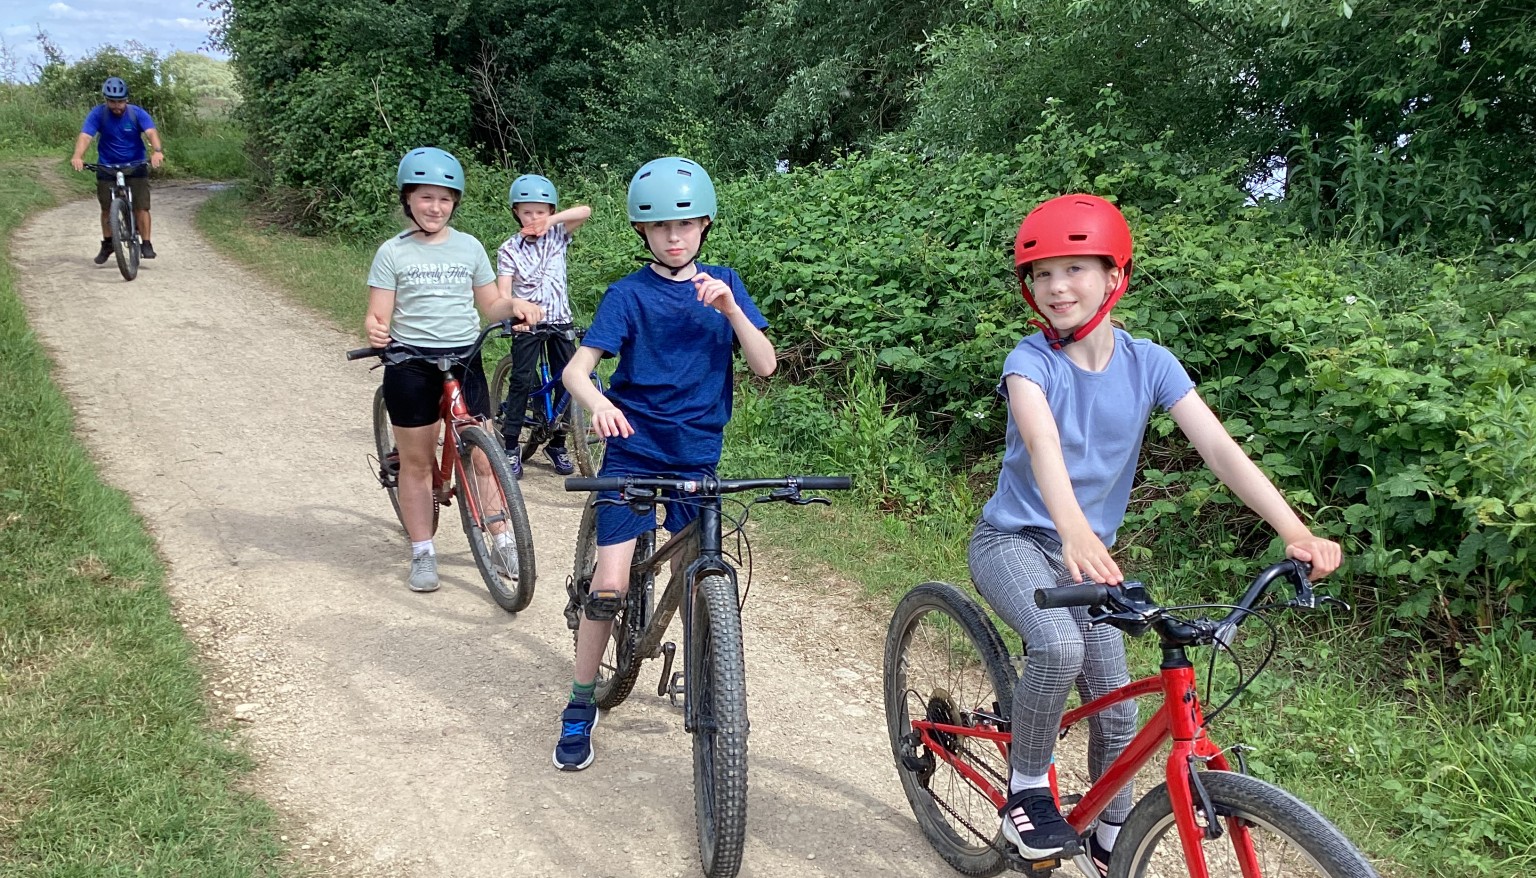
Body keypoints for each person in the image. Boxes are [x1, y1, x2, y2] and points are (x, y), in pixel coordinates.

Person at [967, 194, 1342, 873]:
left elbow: (1219, 449)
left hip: (1087, 558)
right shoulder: (1029, 363)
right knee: (1057, 647)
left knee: (1116, 708)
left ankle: (1113, 833)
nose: (1056, 287)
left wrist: (1294, 529)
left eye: (1075, 269)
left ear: (1115, 277)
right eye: (1042, 274)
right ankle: (1026, 791)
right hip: (1014, 543)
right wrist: (1075, 531)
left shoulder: (1150, 363)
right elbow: (1043, 445)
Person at [554, 157, 776, 771]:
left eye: (685, 224)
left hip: (697, 453)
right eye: (659, 227)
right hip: (634, 450)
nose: (673, 237)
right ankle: (580, 701)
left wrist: (731, 310)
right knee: (610, 586)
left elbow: (765, 365)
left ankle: (708, 685)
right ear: (642, 232)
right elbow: (576, 371)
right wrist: (600, 404)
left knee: (695, 576)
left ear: (705, 226)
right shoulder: (628, 294)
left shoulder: (724, 285)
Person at [364, 147, 543, 593]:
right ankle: (423, 551)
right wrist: (375, 329)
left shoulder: (469, 247)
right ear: (408, 200)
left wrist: (514, 306)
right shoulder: (392, 252)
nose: (435, 207)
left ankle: (502, 537)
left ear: (455, 203)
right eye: (426, 197)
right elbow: (378, 313)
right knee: (417, 464)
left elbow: (491, 303)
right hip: (410, 364)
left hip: (464, 359)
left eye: (444, 199)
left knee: (483, 455)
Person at [493, 173, 592, 477]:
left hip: (561, 320)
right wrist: (513, 316)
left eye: (540, 211)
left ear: (550, 211)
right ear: (516, 213)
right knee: (522, 380)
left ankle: (557, 443)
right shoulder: (509, 249)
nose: (533, 218)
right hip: (527, 324)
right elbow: (503, 294)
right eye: (527, 212)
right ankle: (511, 446)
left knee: (569, 381)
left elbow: (585, 211)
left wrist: (550, 222)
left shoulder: (557, 234)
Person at [70, 76, 164, 262]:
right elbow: (86, 136)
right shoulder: (98, 114)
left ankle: (146, 243)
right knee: (106, 208)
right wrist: (77, 156)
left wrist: (157, 151)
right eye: (112, 101)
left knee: (141, 207)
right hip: (107, 166)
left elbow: (151, 132)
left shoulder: (136, 113)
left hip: (135, 165)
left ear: (126, 99)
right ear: (106, 100)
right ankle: (108, 243)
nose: (116, 106)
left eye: (120, 101)